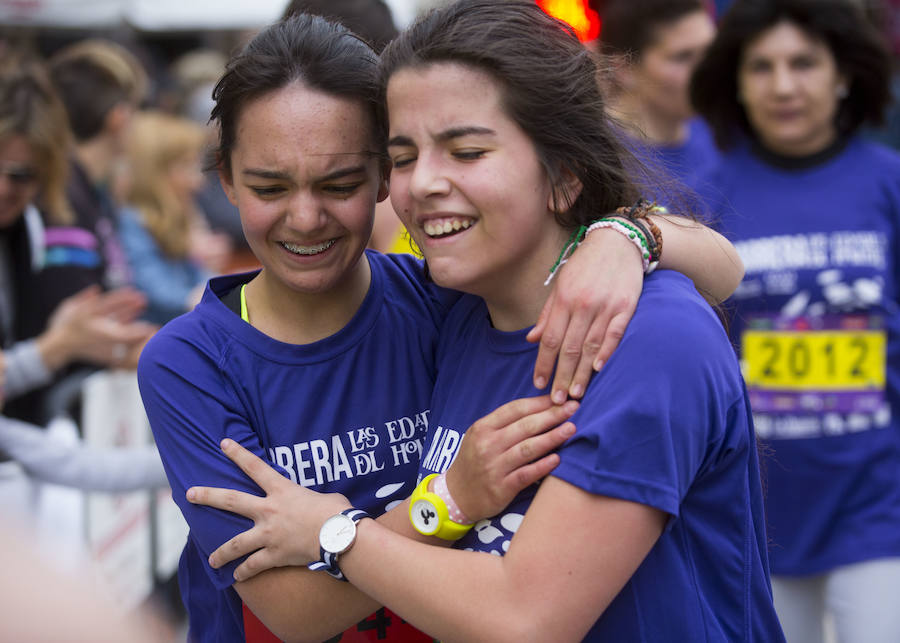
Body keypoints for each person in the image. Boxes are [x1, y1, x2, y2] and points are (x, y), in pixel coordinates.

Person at [137, 12, 748, 643]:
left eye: (340, 182)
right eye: (270, 186)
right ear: (226, 179)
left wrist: (627, 234)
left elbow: (723, 273)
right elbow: (291, 610)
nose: (306, 216)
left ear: (374, 180)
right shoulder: (196, 361)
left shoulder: (448, 305)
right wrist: (447, 500)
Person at [690, 1, 900, 641]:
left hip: (879, 504)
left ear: (843, 74)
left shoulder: (889, 184)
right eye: (762, 67)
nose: (783, 85)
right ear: (736, 82)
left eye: (804, 63)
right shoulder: (703, 197)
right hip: (755, 512)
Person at [594, 0, 719, 191]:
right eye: (683, 56)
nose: (706, 70)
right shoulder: (598, 160)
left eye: (710, 53)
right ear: (624, 68)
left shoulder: (722, 137)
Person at [118, 110, 229, 324]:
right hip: (156, 330)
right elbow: (151, 288)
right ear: (155, 173)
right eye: (186, 167)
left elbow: (199, 273)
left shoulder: (185, 210)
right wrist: (201, 297)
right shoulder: (133, 220)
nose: (198, 180)